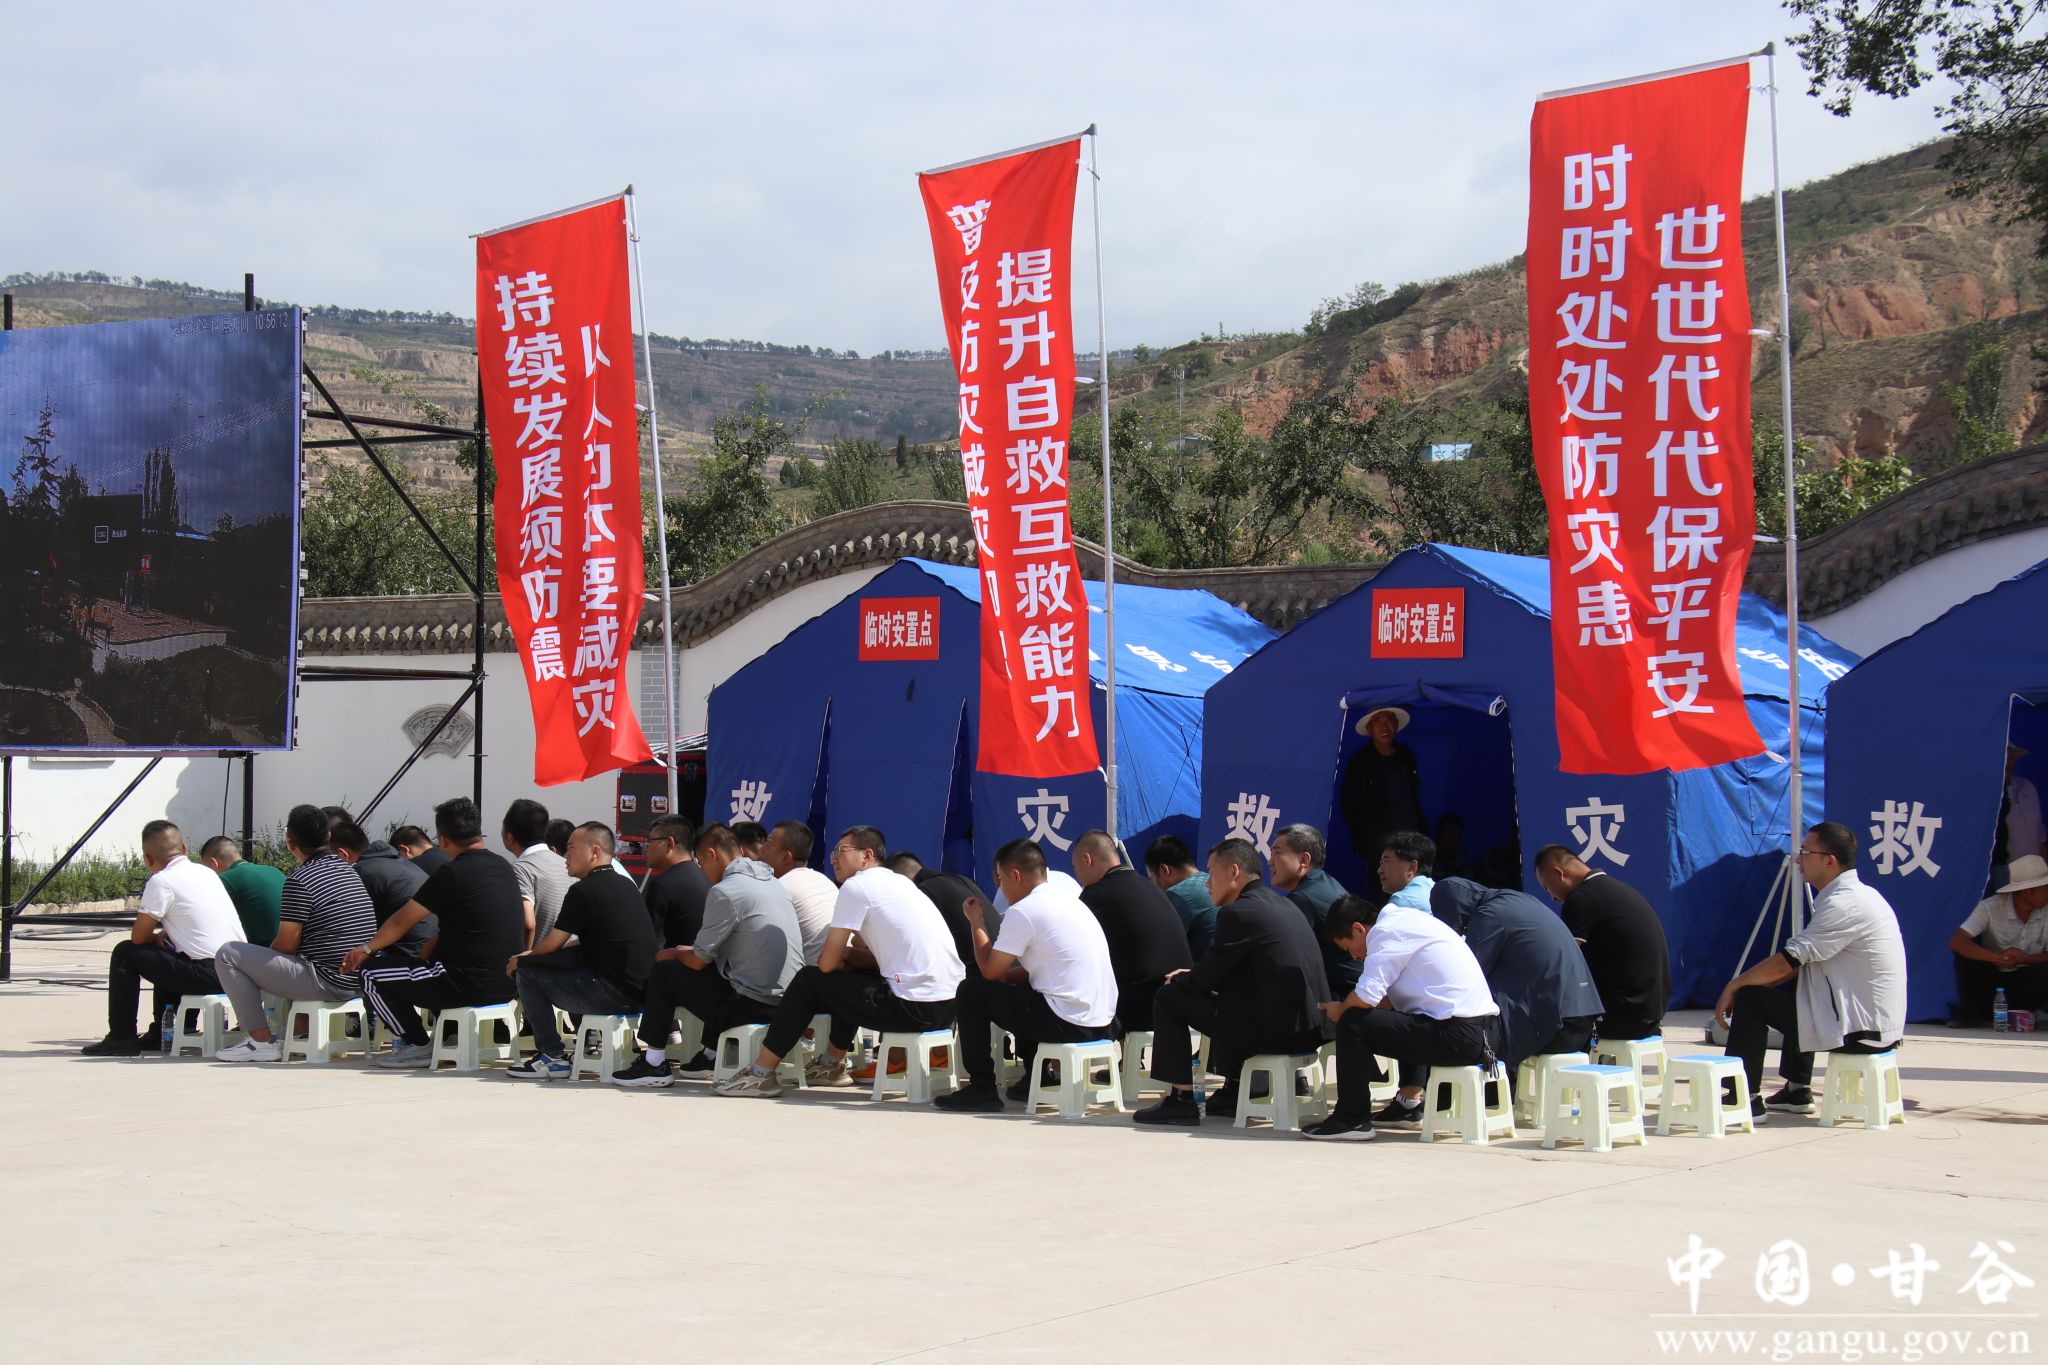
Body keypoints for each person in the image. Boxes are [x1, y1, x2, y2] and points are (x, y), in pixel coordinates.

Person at [712, 825, 964, 1098]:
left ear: (867, 855)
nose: (833, 859)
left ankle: (761, 1073)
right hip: (949, 1007)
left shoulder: (857, 886)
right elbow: (875, 957)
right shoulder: (902, 883)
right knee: (850, 977)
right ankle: (831, 1065)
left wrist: (843, 957)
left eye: (841, 851)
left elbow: (827, 965)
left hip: (913, 1007)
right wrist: (850, 956)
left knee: (809, 981)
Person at [1715, 822, 1907, 1120]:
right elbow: (1800, 963)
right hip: (1874, 1023)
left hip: (1863, 1031)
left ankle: (1743, 1098)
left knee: (1751, 998)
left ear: (1830, 861)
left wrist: (1734, 986)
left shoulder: (1844, 904)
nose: (1798, 859)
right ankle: (1797, 1089)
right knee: (1804, 984)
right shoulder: (1859, 894)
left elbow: (1787, 961)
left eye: (1806, 852)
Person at [1133, 838, 1329, 1126]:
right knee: (1231, 999)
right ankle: (1236, 1088)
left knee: (1169, 996)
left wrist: (1182, 977)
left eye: (1212, 874)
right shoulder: (1284, 904)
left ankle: (1182, 1100)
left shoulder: (1238, 913)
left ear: (1234, 872)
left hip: (1277, 1032)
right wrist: (1194, 975)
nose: (1207, 883)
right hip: (1308, 1028)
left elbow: (1206, 980)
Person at [611, 823, 803, 1087]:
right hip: (786, 1005)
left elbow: (697, 961)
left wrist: (672, 953)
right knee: (721, 970)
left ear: (712, 854)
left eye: (700, 863)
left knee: (664, 971)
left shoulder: (726, 890)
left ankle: (653, 1063)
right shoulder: (773, 884)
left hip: (750, 1006)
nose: (701, 871)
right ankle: (711, 1055)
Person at [345, 796, 528, 1069]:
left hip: (465, 984)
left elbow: (401, 921)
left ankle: (417, 1044)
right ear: (479, 830)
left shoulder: (452, 873)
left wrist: (366, 949)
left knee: (370, 973)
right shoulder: (503, 866)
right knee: (423, 965)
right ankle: (440, 1037)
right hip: (508, 983)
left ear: (442, 839)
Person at [936, 839, 1119, 1112]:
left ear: (1015, 876)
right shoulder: (1070, 901)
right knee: (1026, 988)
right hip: (1105, 1021)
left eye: (1000, 880)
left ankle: (981, 1088)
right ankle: (1037, 1077)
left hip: (1069, 1021)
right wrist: (1010, 978)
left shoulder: (1024, 910)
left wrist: (976, 922)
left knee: (970, 992)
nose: (1000, 888)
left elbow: (989, 971)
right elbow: (1051, 968)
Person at [1301, 894, 1500, 1140]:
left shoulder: (1386, 932)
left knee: (1352, 1022)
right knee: (1402, 1013)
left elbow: (1366, 996)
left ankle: (1351, 1119)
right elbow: (1384, 1001)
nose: (1354, 956)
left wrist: (1340, 1010)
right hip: (1482, 1034)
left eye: (1348, 947)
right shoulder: (1407, 921)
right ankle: (1408, 1104)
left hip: (1459, 1035)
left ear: (1358, 929)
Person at [213, 805, 377, 1063]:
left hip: (327, 981)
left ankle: (260, 1041)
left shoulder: (300, 880)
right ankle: (299, 1034)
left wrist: (261, 967)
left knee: (228, 954)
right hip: (359, 978)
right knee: (298, 956)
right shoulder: (349, 871)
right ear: (329, 837)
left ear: (290, 844)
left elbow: (287, 944)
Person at [506, 822, 658, 1080]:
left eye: (571, 848)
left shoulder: (583, 890)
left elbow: (550, 946)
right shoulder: (626, 884)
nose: (565, 855)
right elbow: (594, 940)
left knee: (528, 974)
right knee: (572, 970)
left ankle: (552, 1056)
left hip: (612, 993)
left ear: (594, 851)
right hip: (642, 994)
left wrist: (523, 959)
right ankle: (586, 1044)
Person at [82, 820, 245, 1056]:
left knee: (125, 953)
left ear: (148, 859)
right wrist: (163, 936)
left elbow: (138, 938)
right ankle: (163, 1031)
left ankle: (121, 1036)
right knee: (168, 950)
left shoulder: (162, 881)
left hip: (209, 973)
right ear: (185, 848)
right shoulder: (207, 873)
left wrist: (154, 938)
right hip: (239, 969)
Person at [1429, 877, 1601, 1076]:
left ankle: (1494, 1093)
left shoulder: (1488, 914)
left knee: (1472, 1039)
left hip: (1557, 1027)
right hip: (1585, 1019)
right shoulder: (1520, 899)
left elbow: (1468, 976)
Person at [1533, 845, 1670, 1043]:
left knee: (1539, 1026)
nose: (1552, 897)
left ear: (1558, 873)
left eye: (1547, 887)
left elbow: (1561, 964)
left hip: (1622, 1018)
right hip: (1651, 1013)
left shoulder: (1581, 899)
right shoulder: (1616, 889)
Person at [1071, 829, 1192, 1039]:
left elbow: (1071, 948)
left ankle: (1050, 1061)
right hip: (1180, 995)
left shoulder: (1097, 894)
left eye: (1075, 868)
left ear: (1087, 860)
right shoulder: (1147, 885)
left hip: (1146, 1004)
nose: (1077, 876)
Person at [1947, 854, 2048, 1026]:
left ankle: (2025, 1012)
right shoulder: (1990, 907)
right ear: (2027, 891)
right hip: (1993, 981)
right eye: (2045, 888)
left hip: (2028, 981)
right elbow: (1958, 941)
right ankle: (1971, 1013)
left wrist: (2026, 958)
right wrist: (1997, 958)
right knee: (1966, 955)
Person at [1339, 706, 1425, 886]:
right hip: (1377, 845)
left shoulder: (1406, 756)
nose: (1385, 727)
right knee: (1381, 890)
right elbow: (1349, 804)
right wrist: (1364, 838)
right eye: (1378, 721)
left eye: (1389, 720)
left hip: (1409, 840)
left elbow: (1415, 799)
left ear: (1396, 725)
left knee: (1410, 887)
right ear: (1370, 727)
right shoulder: (1360, 762)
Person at [1268, 823, 1358, 997]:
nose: (1270, 861)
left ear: (1304, 860)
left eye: (1277, 853)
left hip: (1340, 997)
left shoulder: (1303, 898)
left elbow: (1285, 955)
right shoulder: (1325, 882)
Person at [327, 818, 435, 960]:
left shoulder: (361, 872)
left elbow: (349, 923)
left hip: (405, 955)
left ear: (343, 855)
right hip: (432, 949)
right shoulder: (400, 863)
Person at [762, 819, 837, 965]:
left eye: (768, 843)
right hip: (840, 967)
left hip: (812, 973)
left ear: (786, 857)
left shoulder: (779, 888)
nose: (761, 849)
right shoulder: (824, 880)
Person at [504, 799, 570, 948]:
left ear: (509, 836)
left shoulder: (521, 868)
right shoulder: (566, 864)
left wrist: (524, 957)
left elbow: (528, 924)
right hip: (570, 955)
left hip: (540, 958)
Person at [197, 834, 283, 946]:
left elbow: (204, 920)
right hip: (296, 947)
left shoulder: (224, 880)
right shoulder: (273, 871)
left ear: (214, 863)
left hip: (267, 950)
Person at [1144, 835, 1218, 960]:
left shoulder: (1177, 894)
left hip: (1202, 968)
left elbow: (1156, 945)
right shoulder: (1212, 881)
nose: (1153, 886)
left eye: (1152, 879)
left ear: (1164, 870)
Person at [641, 815, 710, 948]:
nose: (646, 849)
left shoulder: (662, 885)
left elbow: (646, 940)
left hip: (674, 959)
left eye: (650, 842)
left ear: (669, 843)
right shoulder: (705, 877)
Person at [1995, 744, 2047, 878]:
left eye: (2011, 756)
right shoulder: (1988, 796)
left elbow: (2040, 832)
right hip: (2006, 874)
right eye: (2004, 756)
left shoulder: (2027, 787)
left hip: (2037, 871)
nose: (2008, 761)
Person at [1377, 831, 1437, 911]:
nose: (1379, 870)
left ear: (1411, 868)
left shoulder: (1402, 900)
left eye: (1386, 862)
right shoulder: (1436, 891)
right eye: (1381, 863)